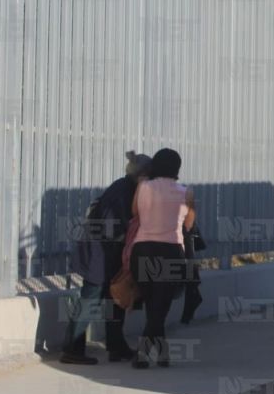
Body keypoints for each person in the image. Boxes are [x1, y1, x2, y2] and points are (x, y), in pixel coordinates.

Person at [61, 152, 151, 365]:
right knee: (91, 299)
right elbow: (112, 226)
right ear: (142, 174)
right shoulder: (123, 190)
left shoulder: (128, 188)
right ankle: (72, 349)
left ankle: (116, 346)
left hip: (109, 253)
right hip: (98, 253)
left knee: (116, 300)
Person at [129, 148, 196, 368]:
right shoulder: (186, 193)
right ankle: (142, 353)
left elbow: (135, 213)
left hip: (142, 249)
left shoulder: (143, 186)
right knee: (161, 306)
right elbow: (189, 225)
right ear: (177, 167)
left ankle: (162, 352)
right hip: (171, 251)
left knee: (152, 304)